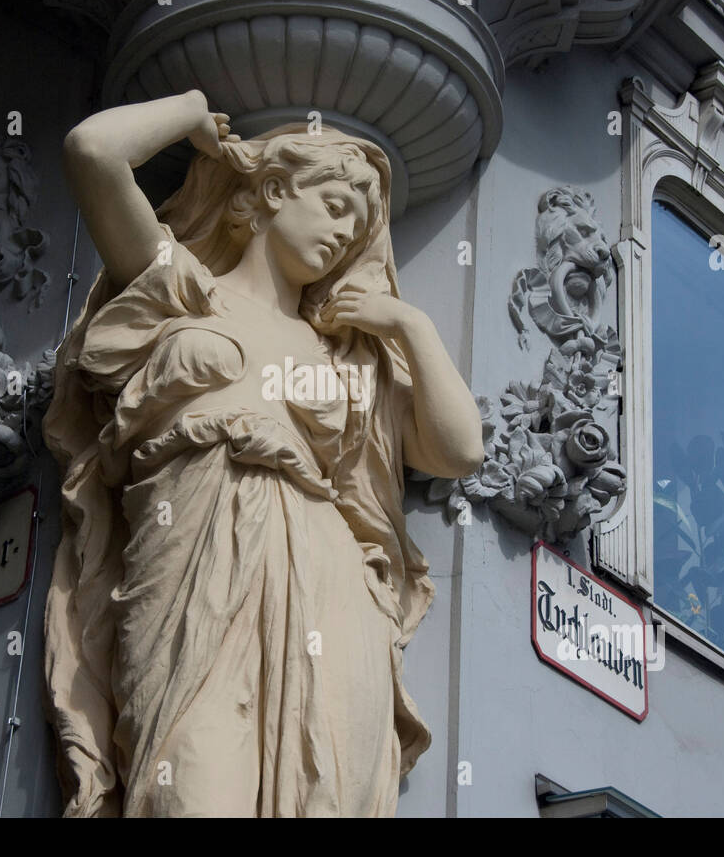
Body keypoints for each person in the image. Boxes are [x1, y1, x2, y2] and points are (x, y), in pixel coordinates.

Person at [43, 88, 483, 817]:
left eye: (361, 224)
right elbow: (92, 151)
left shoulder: (340, 355)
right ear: (273, 191)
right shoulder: (183, 291)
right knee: (185, 790)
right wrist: (190, 114)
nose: (347, 235)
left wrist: (407, 325)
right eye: (338, 205)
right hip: (189, 563)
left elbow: (460, 449)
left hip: (326, 577)